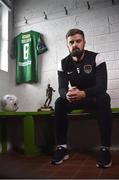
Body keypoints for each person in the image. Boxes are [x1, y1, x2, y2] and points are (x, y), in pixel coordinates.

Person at [51, 28, 112, 168]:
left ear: (84, 42)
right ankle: (62, 147)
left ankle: (105, 148)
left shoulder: (97, 58)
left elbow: (102, 86)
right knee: (60, 102)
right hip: (76, 99)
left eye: (78, 41)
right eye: (71, 42)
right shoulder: (62, 63)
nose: (75, 44)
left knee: (104, 97)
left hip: (93, 98)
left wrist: (83, 93)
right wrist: (66, 94)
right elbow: (61, 87)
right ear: (67, 45)